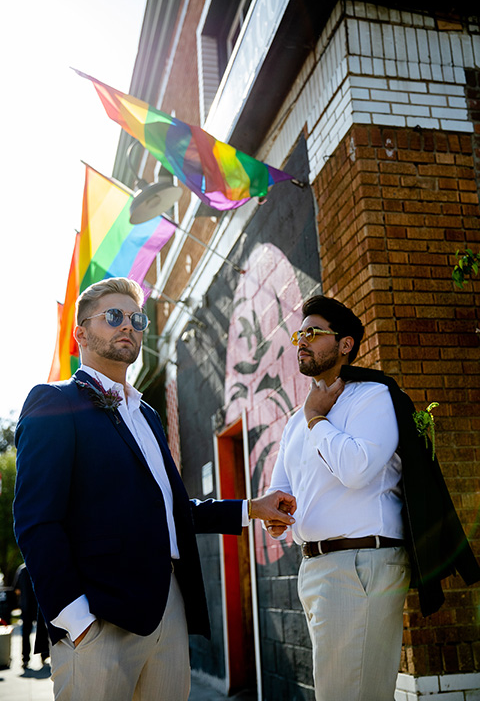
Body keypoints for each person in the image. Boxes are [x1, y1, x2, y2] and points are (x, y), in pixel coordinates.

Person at [14, 277, 296, 701]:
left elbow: (172, 507)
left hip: (169, 608)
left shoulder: (146, 414)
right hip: (100, 618)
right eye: (113, 316)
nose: (128, 325)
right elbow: (36, 520)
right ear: (81, 334)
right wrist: (76, 620)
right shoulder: (54, 402)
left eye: (136, 318)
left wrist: (252, 508)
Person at [266, 295, 480, 701]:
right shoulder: (298, 419)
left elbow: (357, 468)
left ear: (345, 345)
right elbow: (285, 490)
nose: (302, 341)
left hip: (361, 565)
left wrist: (317, 419)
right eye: (300, 333)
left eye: (313, 332)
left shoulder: (371, 398)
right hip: (314, 569)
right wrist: (277, 514)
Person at [13, 563, 49, 668]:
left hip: (26, 606)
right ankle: (44, 655)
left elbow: (17, 590)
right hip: (39, 605)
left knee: (25, 633)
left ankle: (25, 658)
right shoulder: (40, 566)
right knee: (42, 631)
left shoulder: (21, 569)